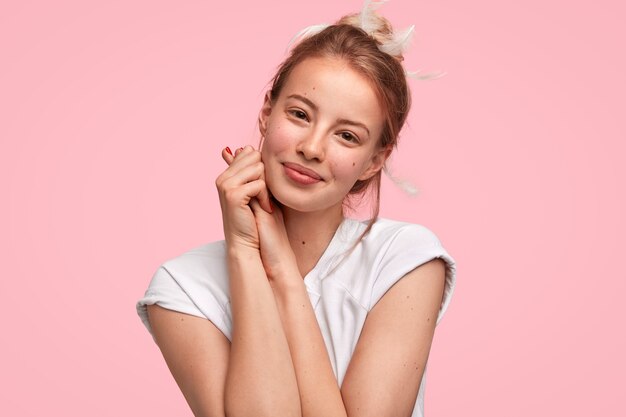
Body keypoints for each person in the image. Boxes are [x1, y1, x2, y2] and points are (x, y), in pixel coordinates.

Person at [136, 2, 457, 416]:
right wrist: (244, 252)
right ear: (268, 113)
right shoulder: (184, 288)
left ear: (376, 158)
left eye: (346, 135)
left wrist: (284, 270)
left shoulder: (405, 261)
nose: (311, 147)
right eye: (300, 114)